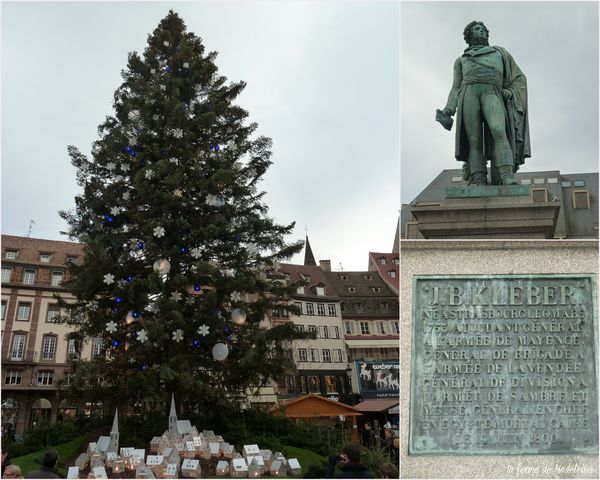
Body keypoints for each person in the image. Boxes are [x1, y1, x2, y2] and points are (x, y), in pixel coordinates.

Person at [437, 21, 530, 186]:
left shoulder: (500, 53)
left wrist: (510, 90)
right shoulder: (461, 60)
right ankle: (479, 179)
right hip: (469, 94)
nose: (480, 31)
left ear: (487, 34)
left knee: (499, 131)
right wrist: (449, 109)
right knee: (474, 140)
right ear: (469, 35)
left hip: (491, 92)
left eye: (482, 29)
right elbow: (455, 88)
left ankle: (506, 176)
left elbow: (519, 78)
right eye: (476, 29)